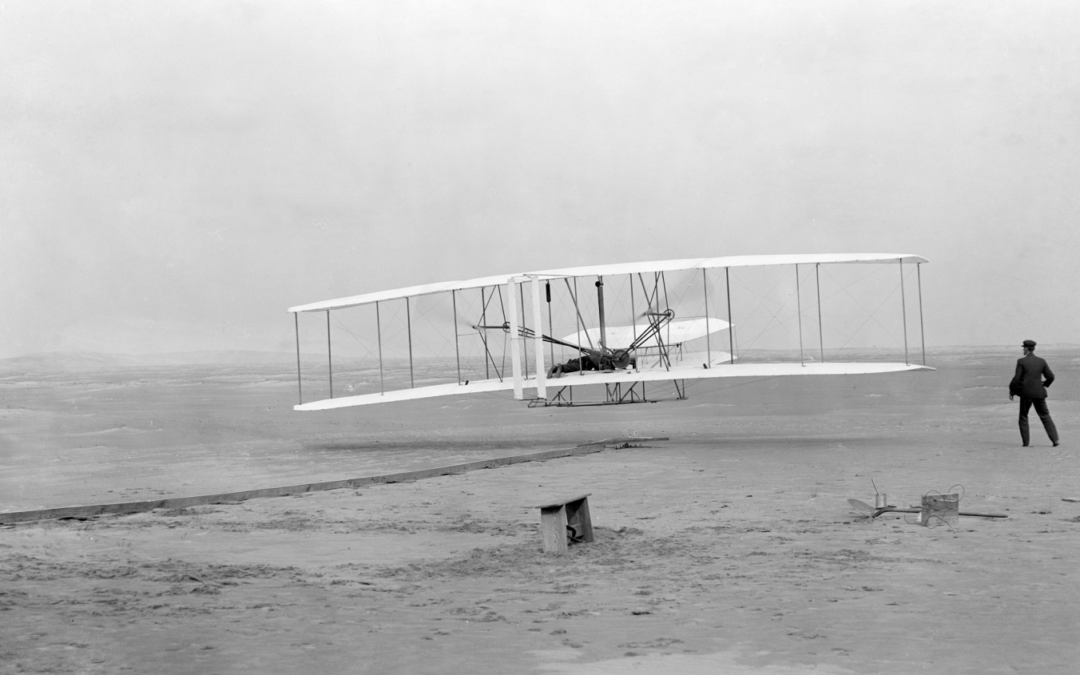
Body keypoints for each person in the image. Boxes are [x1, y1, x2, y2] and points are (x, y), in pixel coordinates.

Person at [1009, 339, 1059, 447]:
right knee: (1045, 416)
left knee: (1023, 416)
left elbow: (1017, 378)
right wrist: (1045, 384)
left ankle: (1026, 443)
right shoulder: (1041, 361)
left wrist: (1012, 391)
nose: (1023, 349)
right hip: (1039, 393)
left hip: (1026, 393)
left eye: (1024, 348)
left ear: (1027, 349)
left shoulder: (1021, 361)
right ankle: (1055, 440)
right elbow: (1051, 377)